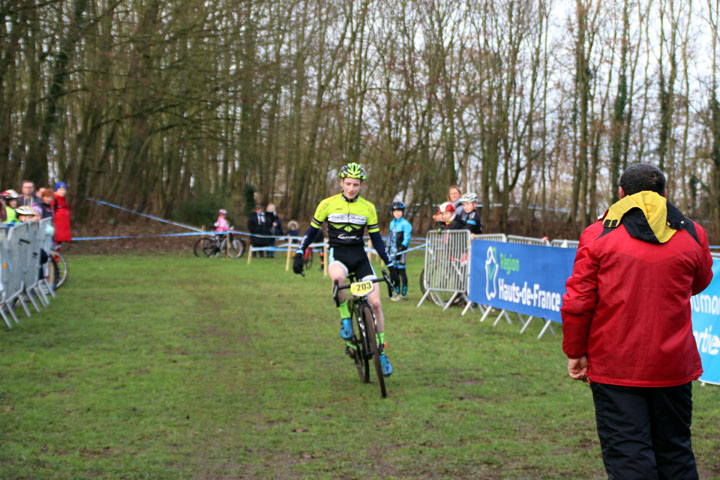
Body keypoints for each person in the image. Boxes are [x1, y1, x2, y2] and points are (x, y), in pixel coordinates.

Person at [561, 163, 713, 480]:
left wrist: (575, 352)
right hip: (672, 364)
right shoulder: (692, 233)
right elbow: (699, 281)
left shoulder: (598, 234)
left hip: (616, 366)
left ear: (620, 194)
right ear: (665, 193)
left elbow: (579, 301)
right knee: (675, 452)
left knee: (629, 455)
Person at [292, 162, 394, 376]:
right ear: (341, 183)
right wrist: (300, 253)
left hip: (360, 257)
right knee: (338, 280)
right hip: (339, 255)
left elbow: (376, 240)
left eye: (356, 184)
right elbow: (310, 233)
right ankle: (346, 319)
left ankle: (382, 352)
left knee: (375, 303)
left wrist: (390, 263)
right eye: (348, 183)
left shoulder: (367, 207)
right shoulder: (327, 204)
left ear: (361, 185)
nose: (351, 188)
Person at [387, 201, 412, 301]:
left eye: (399, 211)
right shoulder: (392, 223)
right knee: (394, 272)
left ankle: (403, 294)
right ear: (392, 212)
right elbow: (390, 236)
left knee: (402, 272)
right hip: (392, 251)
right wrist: (388, 246)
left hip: (401, 251)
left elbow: (407, 238)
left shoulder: (406, 224)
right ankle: (396, 291)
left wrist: (401, 248)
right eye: (395, 211)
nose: (397, 213)